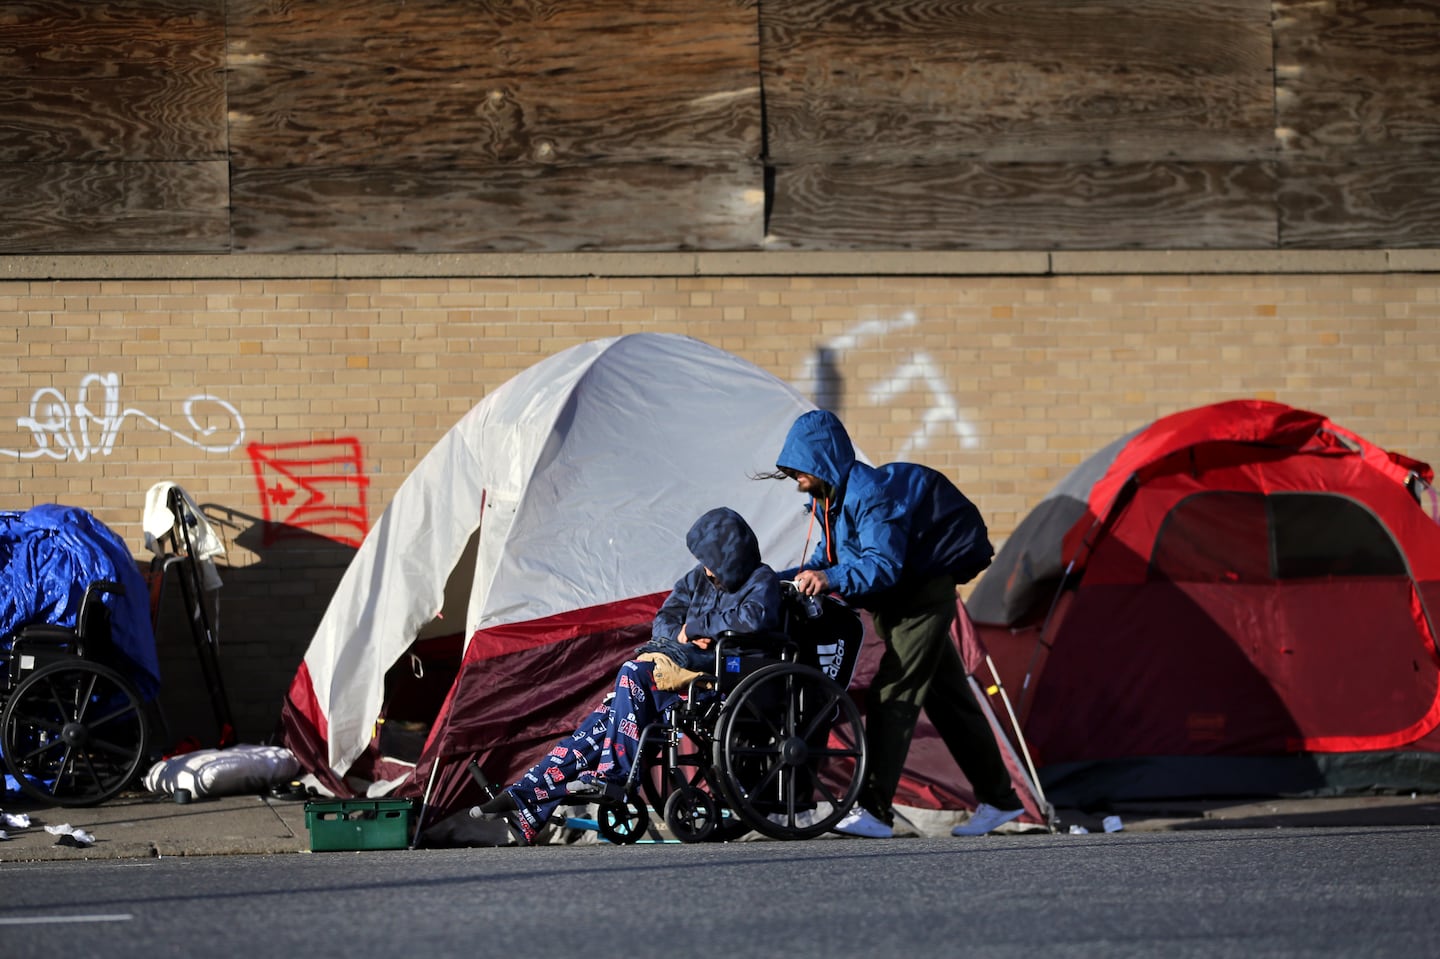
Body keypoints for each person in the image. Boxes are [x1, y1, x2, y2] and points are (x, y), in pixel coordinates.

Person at [766, 409, 1024, 839]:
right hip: (901, 602)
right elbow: (831, 556)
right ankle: (1001, 799)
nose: (796, 482)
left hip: (920, 599)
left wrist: (829, 579)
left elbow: (882, 565)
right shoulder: (831, 499)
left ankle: (875, 809)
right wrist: (788, 578)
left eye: (799, 471)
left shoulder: (871, 495)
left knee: (894, 694)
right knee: (950, 701)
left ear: (821, 459)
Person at [476, 506, 782, 844]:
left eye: (712, 561)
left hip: (726, 677)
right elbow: (665, 618)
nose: (707, 569)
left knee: (633, 673)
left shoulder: (762, 579)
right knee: (608, 717)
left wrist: (695, 628)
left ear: (731, 556)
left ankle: (613, 776)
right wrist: (680, 634)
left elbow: (754, 619)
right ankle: (530, 796)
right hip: (686, 669)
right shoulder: (697, 579)